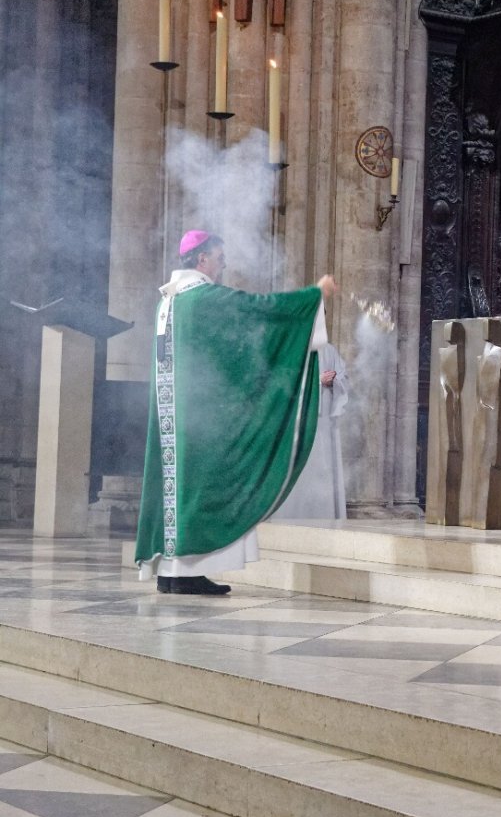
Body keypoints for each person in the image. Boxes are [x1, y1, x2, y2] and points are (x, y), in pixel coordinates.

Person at [135, 230, 337, 595]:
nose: (223, 265)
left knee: (178, 492)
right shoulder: (203, 298)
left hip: (176, 419)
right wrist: (313, 295)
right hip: (201, 423)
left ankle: (173, 570)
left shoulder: (167, 302)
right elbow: (259, 312)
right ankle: (184, 572)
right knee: (205, 490)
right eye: (219, 258)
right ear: (201, 260)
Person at [272, 343, 349, 520]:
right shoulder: (295, 343)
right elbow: (283, 380)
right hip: (299, 421)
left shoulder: (329, 350)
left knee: (323, 466)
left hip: (324, 421)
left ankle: (323, 515)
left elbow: (345, 378)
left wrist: (335, 380)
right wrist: (316, 381)